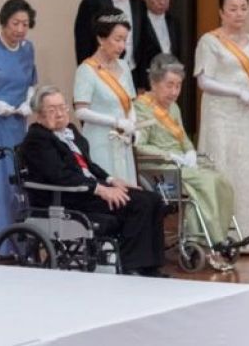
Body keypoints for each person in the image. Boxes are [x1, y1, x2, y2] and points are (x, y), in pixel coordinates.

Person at [21, 85, 166, 277]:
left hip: (86, 189)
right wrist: (100, 189)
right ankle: (132, 266)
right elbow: (60, 176)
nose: (60, 114)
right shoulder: (37, 139)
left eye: (62, 107)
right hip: (67, 197)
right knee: (138, 204)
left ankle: (151, 266)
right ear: (39, 114)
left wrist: (112, 180)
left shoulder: (70, 131)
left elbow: (88, 165)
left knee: (153, 199)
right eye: (52, 110)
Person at [134, 54, 238, 270]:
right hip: (158, 166)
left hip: (180, 164)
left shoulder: (174, 108)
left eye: (178, 86)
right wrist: (168, 155)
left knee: (221, 181)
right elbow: (138, 145)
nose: (174, 92)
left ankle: (218, 235)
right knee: (206, 183)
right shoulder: (141, 108)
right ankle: (211, 240)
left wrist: (190, 152)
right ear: (154, 83)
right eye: (169, 85)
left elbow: (183, 138)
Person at [195, 0, 249, 254]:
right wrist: (238, 91)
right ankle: (217, 234)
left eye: (243, 8)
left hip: (246, 115)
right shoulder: (210, 41)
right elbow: (203, 80)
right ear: (221, 12)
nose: (239, 14)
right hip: (221, 115)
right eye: (233, 9)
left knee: (247, 171)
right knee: (223, 169)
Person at [0, 0, 37, 241]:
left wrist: (29, 102)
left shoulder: (28, 48)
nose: (20, 29)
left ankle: (20, 241)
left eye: (25, 24)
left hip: (18, 124)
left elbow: (32, 82)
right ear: (3, 22)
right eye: (15, 23)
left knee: (18, 182)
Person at [73, 7, 138, 185]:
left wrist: (132, 122)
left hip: (123, 140)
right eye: (117, 39)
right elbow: (81, 111)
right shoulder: (86, 70)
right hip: (100, 140)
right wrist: (115, 122)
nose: (122, 46)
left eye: (124, 40)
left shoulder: (124, 67)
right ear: (101, 38)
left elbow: (130, 102)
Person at [74, 0, 150, 89]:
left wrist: (142, 83)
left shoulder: (139, 4)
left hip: (133, 74)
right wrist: (88, 77)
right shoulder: (91, 4)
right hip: (101, 74)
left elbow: (143, 44)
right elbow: (83, 46)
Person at [139, 0, 181, 87]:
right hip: (147, 82)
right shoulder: (140, 22)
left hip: (171, 79)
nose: (162, 2)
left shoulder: (173, 21)